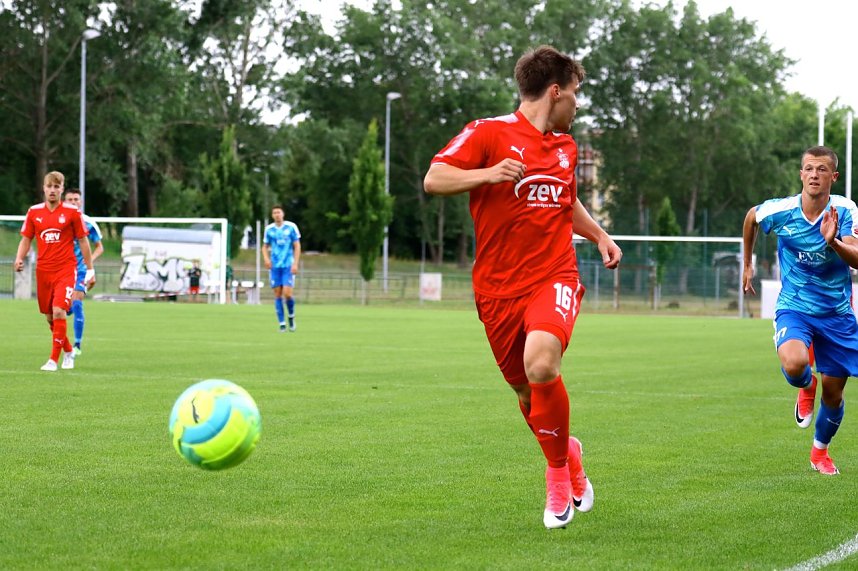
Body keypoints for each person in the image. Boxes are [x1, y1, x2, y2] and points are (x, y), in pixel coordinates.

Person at [423, 45, 622, 529]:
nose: (577, 105)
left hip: (554, 275)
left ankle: (556, 476)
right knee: (526, 393)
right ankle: (568, 452)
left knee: (541, 362)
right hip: (495, 290)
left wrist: (597, 235)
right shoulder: (488, 133)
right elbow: (434, 178)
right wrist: (488, 173)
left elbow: (565, 201)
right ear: (554, 92)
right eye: (574, 95)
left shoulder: (566, 148)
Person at [742, 145, 858, 476]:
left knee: (834, 395)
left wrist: (833, 242)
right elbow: (751, 217)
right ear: (801, 174)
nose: (814, 175)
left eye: (822, 169)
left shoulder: (845, 211)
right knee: (795, 365)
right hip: (795, 306)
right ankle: (805, 385)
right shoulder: (781, 210)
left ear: (833, 177)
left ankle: (820, 453)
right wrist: (748, 264)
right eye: (809, 168)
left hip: (836, 315)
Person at [14, 172, 95, 371]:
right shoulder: (34, 212)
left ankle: (53, 360)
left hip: (66, 270)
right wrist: (19, 258)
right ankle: (68, 351)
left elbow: (84, 241)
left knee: (59, 310)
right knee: (50, 317)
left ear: (61, 189)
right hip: (43, 271)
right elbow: (26, 239)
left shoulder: (72, 213)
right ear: (44, 188)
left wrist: (90, 269)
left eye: (56, 187)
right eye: (49, 186)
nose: (52, 190)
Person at [61, 188, 103, 355]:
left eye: (76, 199)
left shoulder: (88, 223)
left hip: (80, 269)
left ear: (81, 202)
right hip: (62, 270)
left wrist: (89, 264)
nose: (73, 202)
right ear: (64, 201)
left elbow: (99, 247)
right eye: (70, 199)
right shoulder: (59, 221)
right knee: (62, 309)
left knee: (77, 302)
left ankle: (77, 345)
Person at [263, 205, 301, 332]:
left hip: (288, 265)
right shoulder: (269, 229)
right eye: (274, 213)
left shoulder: (291, 227)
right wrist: (266, 259)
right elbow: (264, 246)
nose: (277, 214)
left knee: (287, 294)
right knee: (277, 294)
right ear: (272, 215)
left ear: (283, 214)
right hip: (275, 266)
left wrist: (295, 263)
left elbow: (297, 245)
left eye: (278, 212)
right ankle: (282, 324)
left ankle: (291, 316)